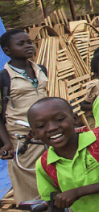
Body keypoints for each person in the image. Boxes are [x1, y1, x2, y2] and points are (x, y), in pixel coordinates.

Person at [30, 97, 99, 212]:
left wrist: (79, 191)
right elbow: (53, 202)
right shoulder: (44, 164)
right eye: (41, 126)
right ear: (34, 134)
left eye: (59, 119)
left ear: (75, 119)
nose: (52, 128)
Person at [0, 29, 49, 202]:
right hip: (23, 140)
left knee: (53, 175)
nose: (28, 46)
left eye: (29, 42)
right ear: (7, 51)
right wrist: (6, 143)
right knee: (30, 184)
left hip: (48, 133)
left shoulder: (41, 69)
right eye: (20, 44)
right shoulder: (4, 78)